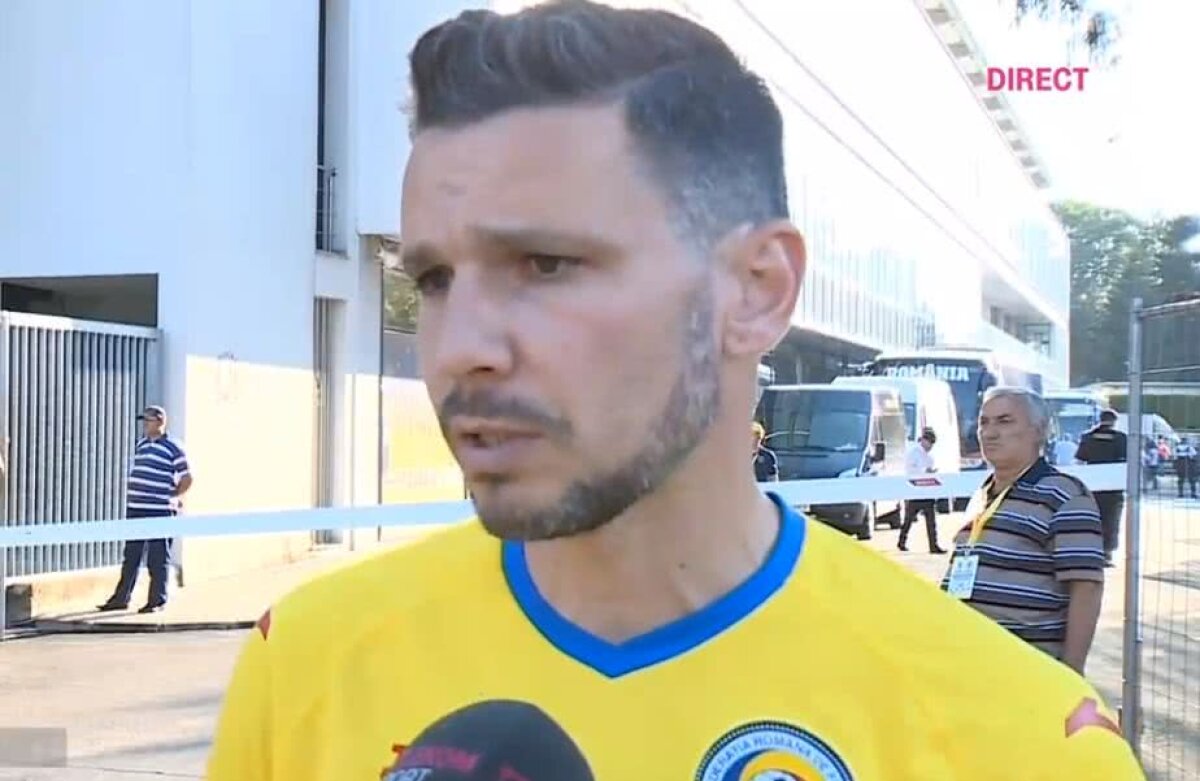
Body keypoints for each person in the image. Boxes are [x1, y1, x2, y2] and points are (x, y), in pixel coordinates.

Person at [207, 4, 1143, 778]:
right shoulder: (306, 668)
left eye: (546, 263)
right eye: (436, 279)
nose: (459, 350)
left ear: (757, 289)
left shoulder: (1022, 742)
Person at [941, 387, 1107, 675]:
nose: (990, 433)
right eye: (984, 422)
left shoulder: (1065, 495)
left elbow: (1086, 586)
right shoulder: (983, 494)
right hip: (967, 663)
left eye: (1005, 421)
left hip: (1026, 669)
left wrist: (1072, 670)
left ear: (1038, 431)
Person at [97, 405, 192, 614]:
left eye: (148, 421)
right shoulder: (141, 444)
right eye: (144, 421)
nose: (145, 425)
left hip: (159, 510)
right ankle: (121, 598)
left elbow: (187, 478)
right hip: (136, 508)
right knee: (131, 555)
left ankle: (157, 600)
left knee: (157, 557)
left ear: (160, 422)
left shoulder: (174, 447)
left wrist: (172, 495)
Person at [1074, 409, 1128, 566]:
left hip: (1093, 485)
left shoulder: (1088, 437)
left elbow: (1080, 459)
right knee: (1111, 519)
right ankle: (1107, 552)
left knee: (1092, 517)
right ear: (1114, 421)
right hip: (1113, 485)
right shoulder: (1120, 438)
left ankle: (1091, 548)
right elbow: (1125, 459)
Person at [898, 427, 947, 554]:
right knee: (909, 519)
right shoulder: (913, 452)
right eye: (930, 443)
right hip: (916, 491)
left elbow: (930, 468)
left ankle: (933, 545)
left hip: (927, 491)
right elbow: (910, 470)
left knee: (931, 520)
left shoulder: (929, 456)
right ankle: (901, 541)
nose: (931, 446)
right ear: (924, 440)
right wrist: (925, 471)